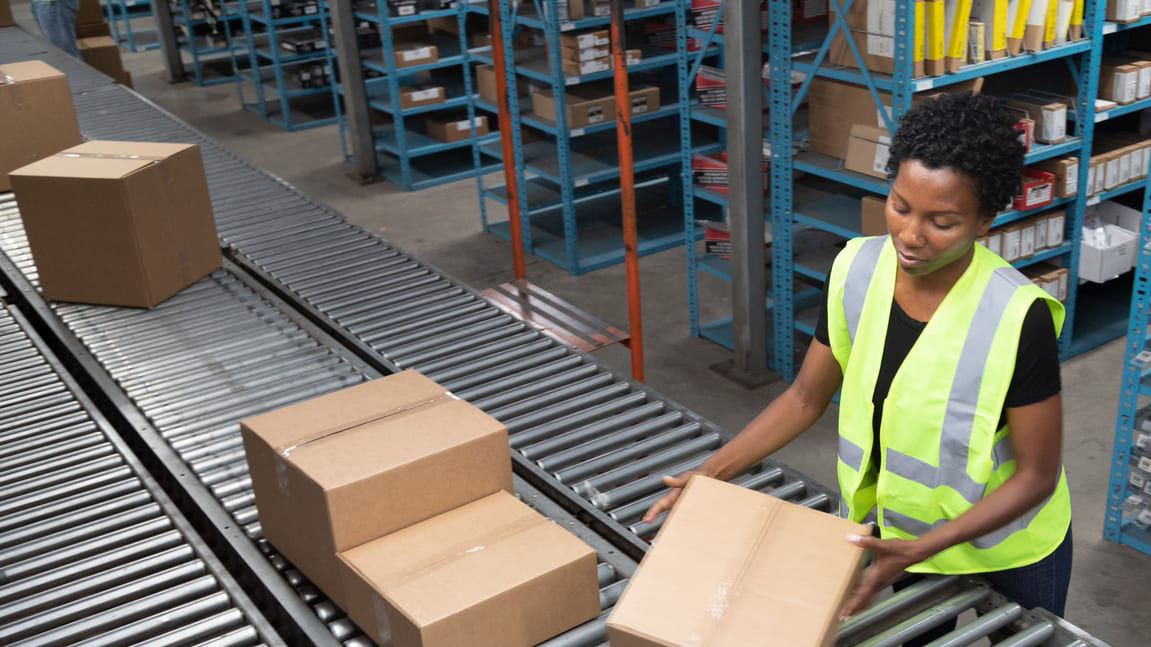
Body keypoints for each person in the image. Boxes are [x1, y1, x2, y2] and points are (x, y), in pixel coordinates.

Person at [643, 93, 1072, 641]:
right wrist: (709, 476)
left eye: (942, 222)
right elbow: (805, 397)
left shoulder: (1017, 316)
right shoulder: (857, 269)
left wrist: (929, 545)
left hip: (1010, 546)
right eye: (901, 206)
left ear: (985, 220)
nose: (911, 236)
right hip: (900, 541)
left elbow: (1035, 475)